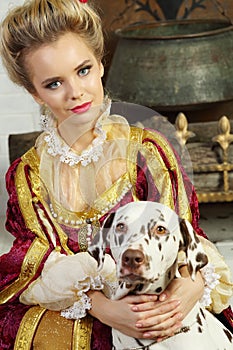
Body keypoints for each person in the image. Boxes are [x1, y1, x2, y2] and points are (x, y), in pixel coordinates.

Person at [0, 0, 232, 349]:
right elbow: (35, 262)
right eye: (53, 84)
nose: (75, 92)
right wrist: (103, 308)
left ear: (100, 64)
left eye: (83, 70)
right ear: (34, 93)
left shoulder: (148, 151)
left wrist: (191, 288)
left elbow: (184, 233)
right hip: (84, 310)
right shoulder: (28, 173)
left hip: (157, 298)